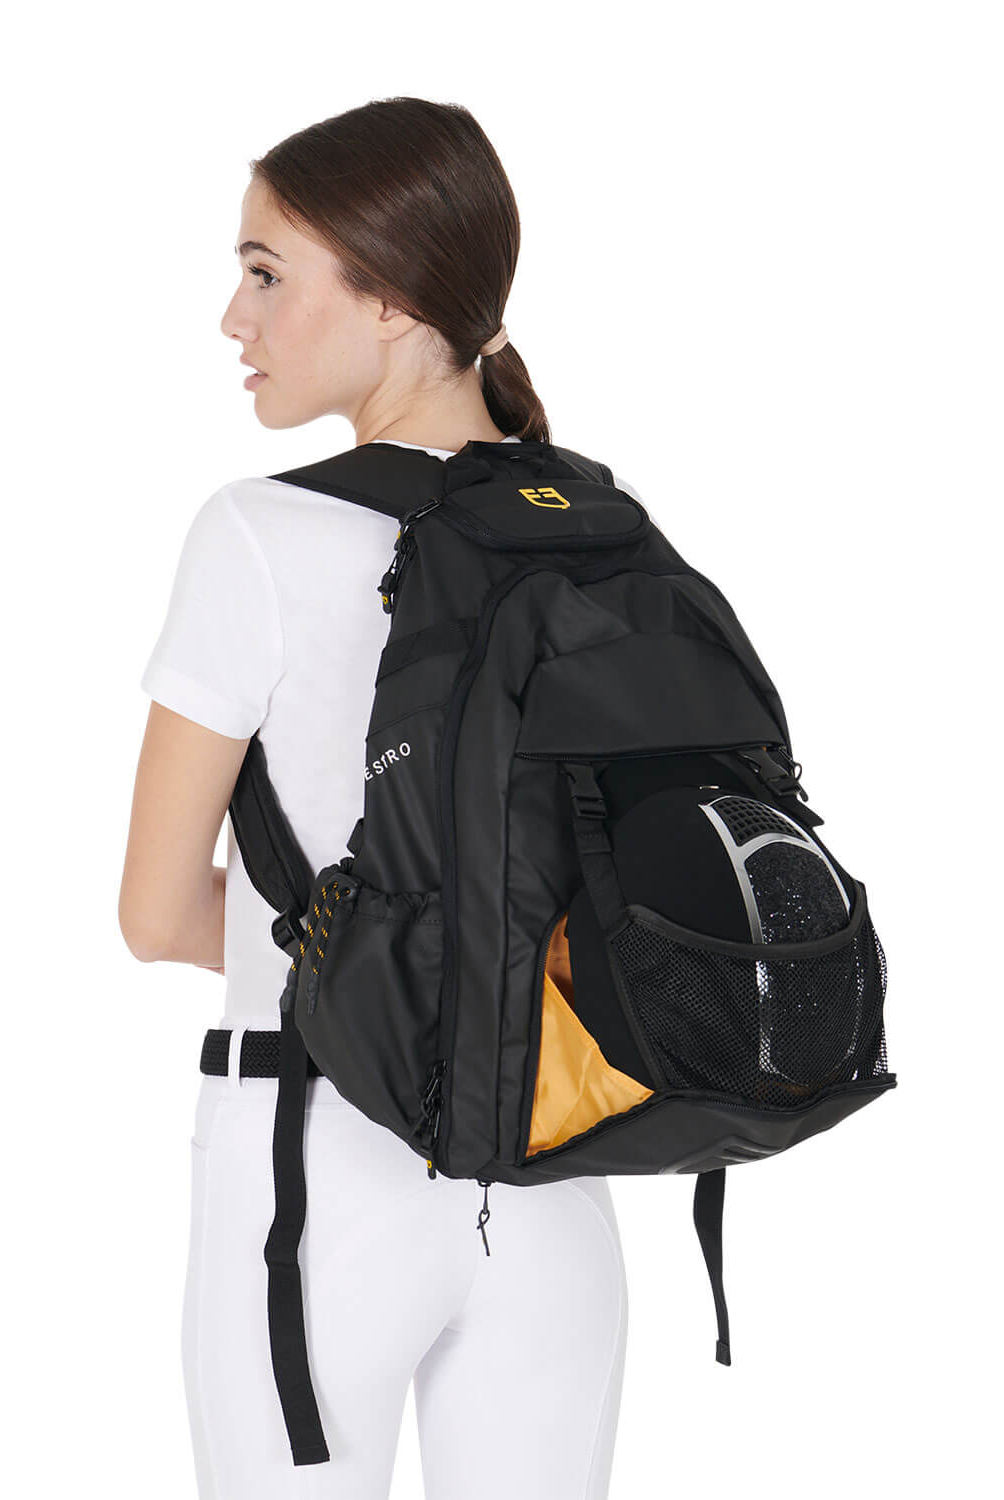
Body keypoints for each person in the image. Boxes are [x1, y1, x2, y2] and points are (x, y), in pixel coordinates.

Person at [120, 97, 642, 1499]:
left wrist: (356, 953)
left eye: (267, 274)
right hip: (549, 1168)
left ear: (397, 301)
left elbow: (157, 914)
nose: (234, 317)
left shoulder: (257, 533)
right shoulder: (597, 527)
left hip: (313, 1163)